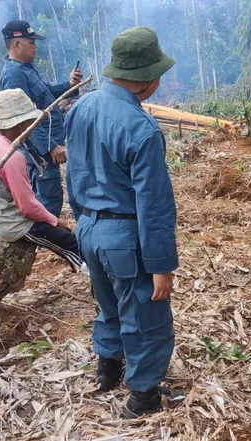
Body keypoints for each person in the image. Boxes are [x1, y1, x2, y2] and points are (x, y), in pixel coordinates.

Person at [64, 26, 182, 418]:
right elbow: (154, 206)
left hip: (89, 230)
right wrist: (161, 266)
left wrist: (84, 224)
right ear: (148, 78)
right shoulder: (142, 129)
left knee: (107, 302)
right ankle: (143, 397)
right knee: (146, 318)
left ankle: (107, 369)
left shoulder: (80, 108)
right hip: (124, 237)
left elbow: (73, 176)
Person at [0, 88, 81, 269]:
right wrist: (54, 220)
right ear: (19, 123)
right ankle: (93, 275)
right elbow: (27, 206)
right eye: (30, 123)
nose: (32, 128)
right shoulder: (11, 156)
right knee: (72, 244)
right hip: (10, 224)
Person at [0, 20, 83, 218]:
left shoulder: (27, 68)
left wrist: (70, 84)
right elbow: (22, 120)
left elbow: (48, 96)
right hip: (37, 152)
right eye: (31, 42)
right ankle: (38, 244)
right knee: (47, 203)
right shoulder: (14, 75)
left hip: (45, 147)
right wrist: (50, 146)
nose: (36, 46)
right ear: (17, 44)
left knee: (49, 200)